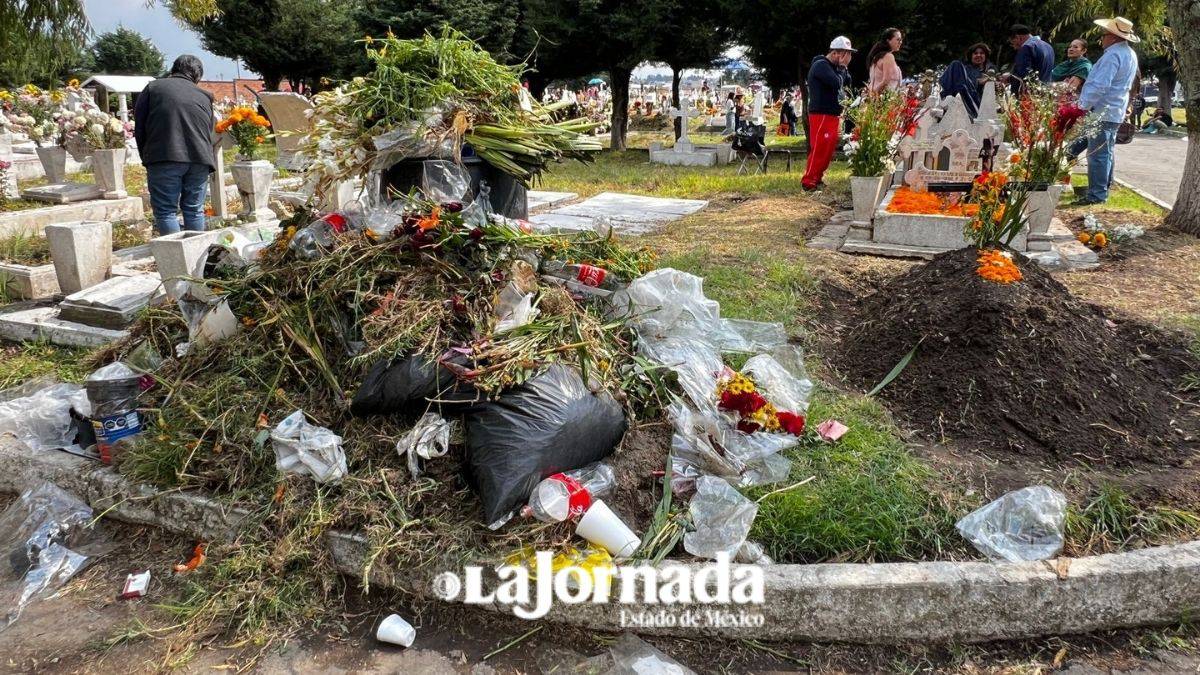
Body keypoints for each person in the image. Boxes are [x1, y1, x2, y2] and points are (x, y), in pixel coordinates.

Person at [133, 55, 215, 235]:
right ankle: (197, 259)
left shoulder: (154, 88)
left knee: (166, 211)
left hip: (164, 155)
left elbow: (140, 126)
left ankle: (175, 261)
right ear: (197, 76)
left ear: (174, 69)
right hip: (200, 158)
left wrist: (146, 156)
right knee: (194, 209)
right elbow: (209, 129)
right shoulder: (205, 96)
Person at [1074, 16, 1140, 205]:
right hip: (1114, 109)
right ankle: (1103, 187)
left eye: (1103, 35)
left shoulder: (1112, 55)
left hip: (1103, 109)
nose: (1101, 39)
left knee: (1098, 154)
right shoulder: (1128, 53)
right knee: (1106, 151)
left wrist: (1082, 106)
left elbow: (1100, 85)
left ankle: (1097, 194)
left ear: (1112, 36)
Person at [801, 36, 854, 191]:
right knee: (820, 147)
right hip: (821, 113)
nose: (847, 58)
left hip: (832, 113)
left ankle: (817, 177)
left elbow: (847, 82)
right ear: (836, 53)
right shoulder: (821, 65)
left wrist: (844, 69)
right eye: (845, 54)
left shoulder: (835, 68)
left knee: (827, 149)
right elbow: (837, 83)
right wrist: (843, 68)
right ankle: (809, 180)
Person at [939, 43, 993, 118]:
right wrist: (978, 82)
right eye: (975, 53)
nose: (978, 55)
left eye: (982, 53)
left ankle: (949, 100)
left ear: (986, 56)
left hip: (975, 101)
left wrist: (990, 83)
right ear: (971, 56)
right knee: (956, 64)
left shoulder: (990, 71)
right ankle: (948, 98)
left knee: (956, 65)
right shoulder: (964, 69)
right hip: (960, 93)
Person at [1005, 24, 1055, 92]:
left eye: (1013, 43)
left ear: (1018, 37)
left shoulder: (1027, 48)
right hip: (1045, 91)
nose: (1014, 47)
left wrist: (1009, 78)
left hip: (1030, 95)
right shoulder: (1048, 47)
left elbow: (1023, 75)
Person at [867, 28, 904, 94]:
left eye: (901, 40)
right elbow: (886, 81)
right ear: (888, 41)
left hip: (878, 97)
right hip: (883, 99)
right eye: (898, 39)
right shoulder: (888, 56)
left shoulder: (877, 56)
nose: (900, 42)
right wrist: (873, 95)